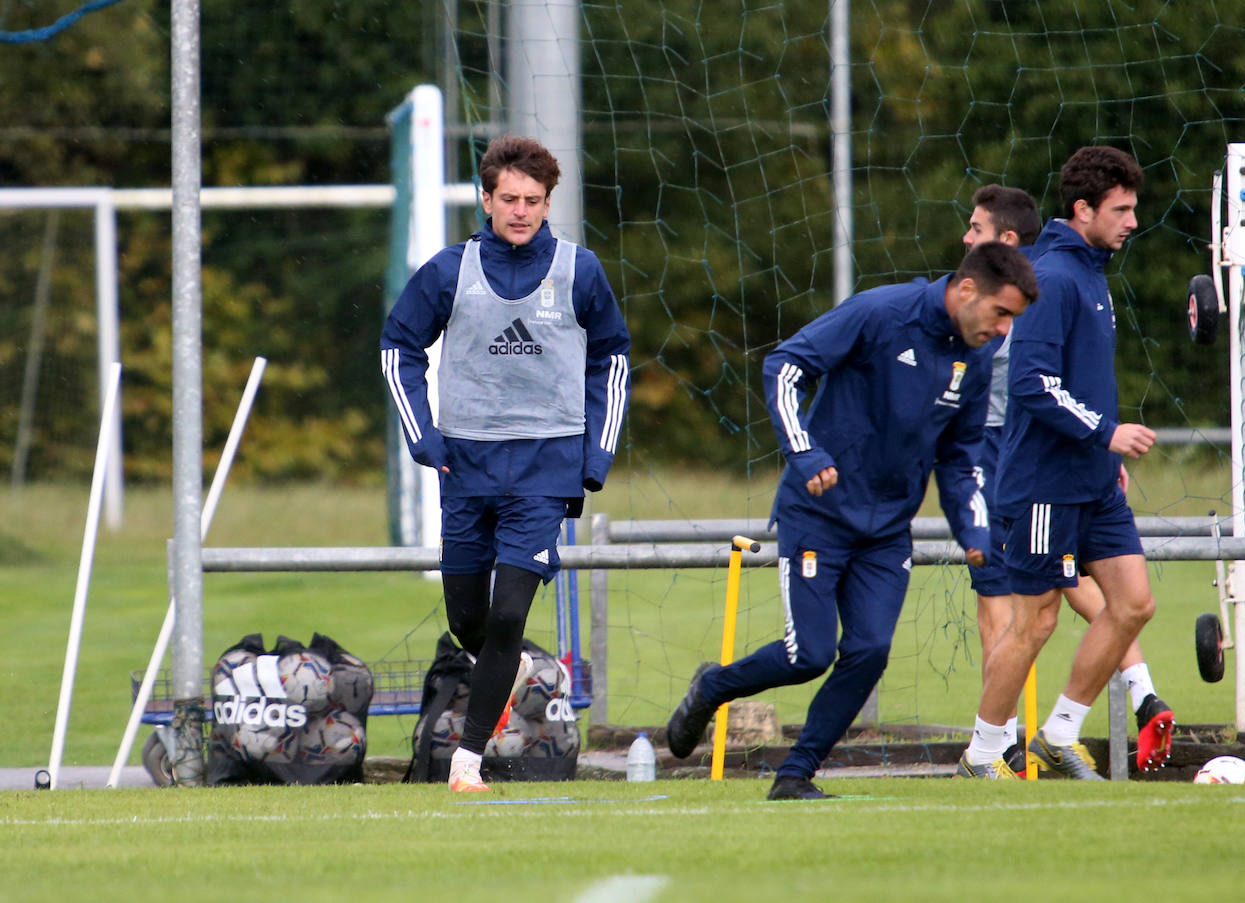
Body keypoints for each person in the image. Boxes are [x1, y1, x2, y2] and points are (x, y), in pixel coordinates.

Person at [666, 241, 1038, 800]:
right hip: (818, 512)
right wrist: (806, 452)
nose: (1004, 330)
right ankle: (713, 686)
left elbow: (959, 458)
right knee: (807, 654)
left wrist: (975, 533)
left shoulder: (977, 356)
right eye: (1000, 313)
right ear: (966, 290)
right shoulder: (879, 313)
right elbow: (785, 365)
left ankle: (795, 776)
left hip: (887, 529)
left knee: (869, 652)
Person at [380, 136, 630, 792]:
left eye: (534, 201)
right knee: (470, 618)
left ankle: (468, 761)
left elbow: (614, 360)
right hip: (465, 468)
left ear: (549, 204)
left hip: (546, 471)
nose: (521, 211)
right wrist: (423, 434)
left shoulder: (581, 271)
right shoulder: (447, 271)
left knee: (510, 612)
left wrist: (595, 453)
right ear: (487, 199)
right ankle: (504, 667)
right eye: (509, 199)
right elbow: (397, 344)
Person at [958, 146, 1167, 781]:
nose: (1132, 222)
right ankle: (983, 752)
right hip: (1044, 484)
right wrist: (1105, 432)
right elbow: (1031, 383)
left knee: (1132, 602)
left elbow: (1080, 379)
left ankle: (1059, 732)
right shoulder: (1052, 276)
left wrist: (1108, 453)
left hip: (1094, 481)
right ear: (1083, 210)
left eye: (1133, 209)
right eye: (1121, 209)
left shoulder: (1093, 272)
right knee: (1035, 621)